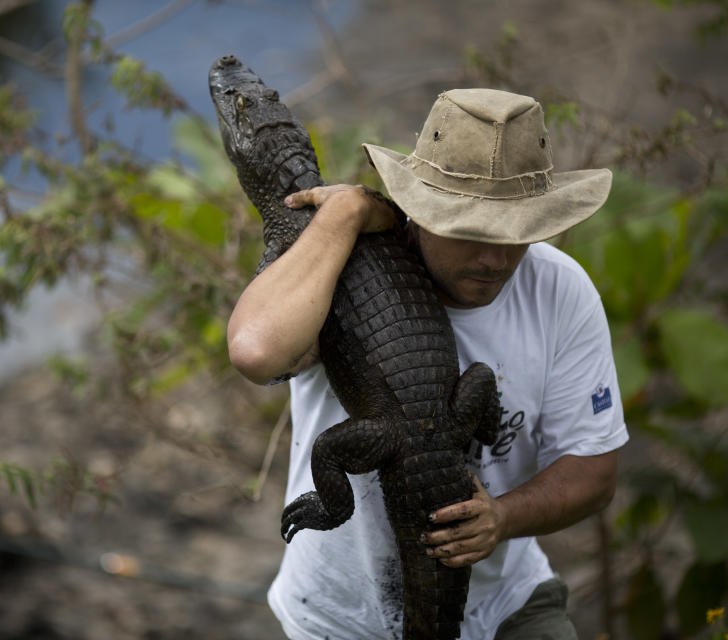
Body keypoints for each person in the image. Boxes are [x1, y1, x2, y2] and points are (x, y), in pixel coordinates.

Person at [226, 88, 629, 639]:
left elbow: (594, 472)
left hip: (508, 600)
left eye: (516, 231)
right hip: (340, 618)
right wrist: (345, 213)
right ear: (418, 207)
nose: (495, 259)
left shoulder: (561, 290)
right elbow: (254, 351)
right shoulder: (329, 265)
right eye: (470, 230)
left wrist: (500, 517)